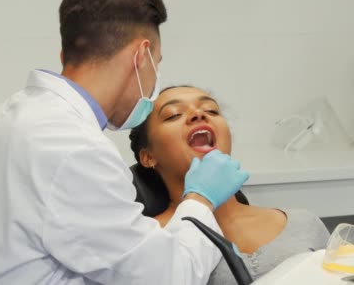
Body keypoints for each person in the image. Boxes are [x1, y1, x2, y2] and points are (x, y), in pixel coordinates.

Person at [0, 0, 249, 285]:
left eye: (210, 109)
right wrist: (201, 199)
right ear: (140, 57)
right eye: (157, 62)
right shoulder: (73, 147)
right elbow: (167, 277)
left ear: (66, 55)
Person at [129, 86, 331, 285]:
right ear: (148, 157)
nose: (198, 114)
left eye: (211, 110)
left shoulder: (305, 225)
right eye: (174, 115)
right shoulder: (148, 241)